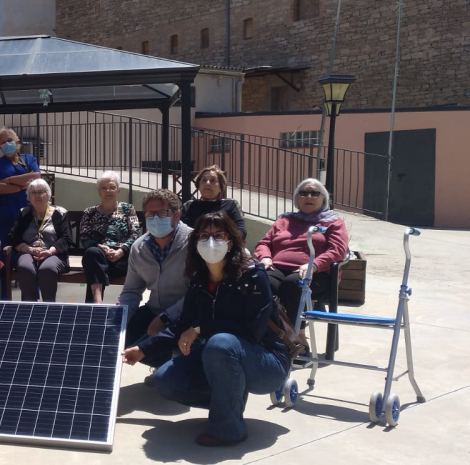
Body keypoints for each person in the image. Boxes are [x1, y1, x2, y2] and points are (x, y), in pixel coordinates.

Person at [148, 212, 290, 446]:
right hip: (221, 360)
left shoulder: (253, 276)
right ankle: (229, 399)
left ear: (231, 241)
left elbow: (252, 330)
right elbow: (181, 326)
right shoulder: (198, 281)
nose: (210, 241)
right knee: (166, 380)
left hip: (267, 363)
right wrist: (141, 350)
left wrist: (201, 329)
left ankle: (228, 429)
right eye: (203, 236)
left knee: (220, 343)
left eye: (218, 235)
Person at [254, 177, 349, 321]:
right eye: (303, 193)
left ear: (323, 199)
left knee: (293, 284)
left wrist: (314, 265)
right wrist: (265, 257)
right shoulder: (284, 220)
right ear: (297, 199)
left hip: (317, 272)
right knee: (261, 280)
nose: (308, 197)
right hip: (278, 268)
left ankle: (298, 336)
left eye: (314, 193)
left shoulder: (333, 221)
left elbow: (338, 250)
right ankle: (270, 331)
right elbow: (264, 243)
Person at [119, 189, 192, 370]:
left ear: (176, 215)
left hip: (188, 315)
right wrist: (121, 319)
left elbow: (199, 292)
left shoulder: (194, 243)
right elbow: (131, 290)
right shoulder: (139, 248)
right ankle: (165, 364)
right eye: (150, 214)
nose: (155, 218)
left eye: (161, 213)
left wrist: (166, 319)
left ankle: (180, 364)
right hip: (155, 310)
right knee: (121, 340)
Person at [80, 171, 140, 304]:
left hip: (122, 259)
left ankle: (96, 307)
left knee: (95, 269)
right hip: (98, 256)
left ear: (118, 190)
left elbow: (135, 234)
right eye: (104, 188)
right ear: (99, 192)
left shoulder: (127, 209)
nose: (108, 191)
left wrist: (121, 251)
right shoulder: (89, 212)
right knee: (92, 253)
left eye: (112, 187)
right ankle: (98, 301)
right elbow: (84, 237)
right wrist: (99, 246)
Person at [8, 179, 71, 302]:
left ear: (48, 194)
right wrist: (28, 249)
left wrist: (49, 251)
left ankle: (48, 307)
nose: (37, 195)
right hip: (28, 252)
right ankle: (29, 308)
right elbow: (13, 237)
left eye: (41, 192)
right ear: (29, 197)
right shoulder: (24, 213)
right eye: (33, 192)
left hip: (54, 253)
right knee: (26, 267)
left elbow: (66, 239)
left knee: (47, 269)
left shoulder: (60, 213)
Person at [0, 127, 41, 246]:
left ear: (17, 141)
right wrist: (21, 186)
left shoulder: (29, 159)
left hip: (28, 214)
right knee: (5, 253)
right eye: (2, 142)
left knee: (29, 250)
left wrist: (8, 180)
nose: (6, 144)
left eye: (9, 140)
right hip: (5, 216)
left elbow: (36, 178)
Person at [179, 165, 247, 239]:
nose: (207, 183)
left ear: (221, 187)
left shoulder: (231, 205)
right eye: (204, 180)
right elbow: (177, 228)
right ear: (198, 185)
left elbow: (241, 230)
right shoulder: (189, 206)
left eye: (213, 180)